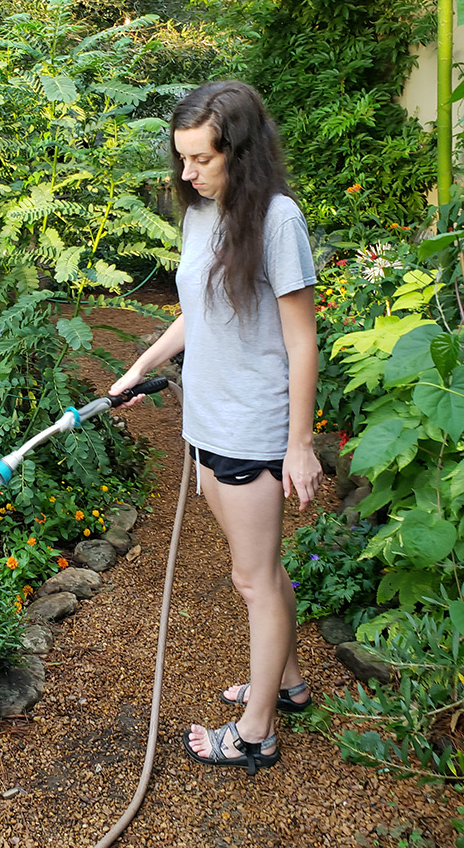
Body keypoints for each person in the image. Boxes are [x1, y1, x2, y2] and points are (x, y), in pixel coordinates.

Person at [109, 80, 321, 775]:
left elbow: (301, 341)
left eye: (201, 159)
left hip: (252, 427)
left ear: (243, 151)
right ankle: (283, 684)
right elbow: (195, 312)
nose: (187, 175)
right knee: (253, 574)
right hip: (206, 420)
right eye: (181, 160)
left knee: (254, 579)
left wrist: (297, 445)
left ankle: (256, 731)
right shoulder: (202, 213)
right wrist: (140, 365)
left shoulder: (277, 220)